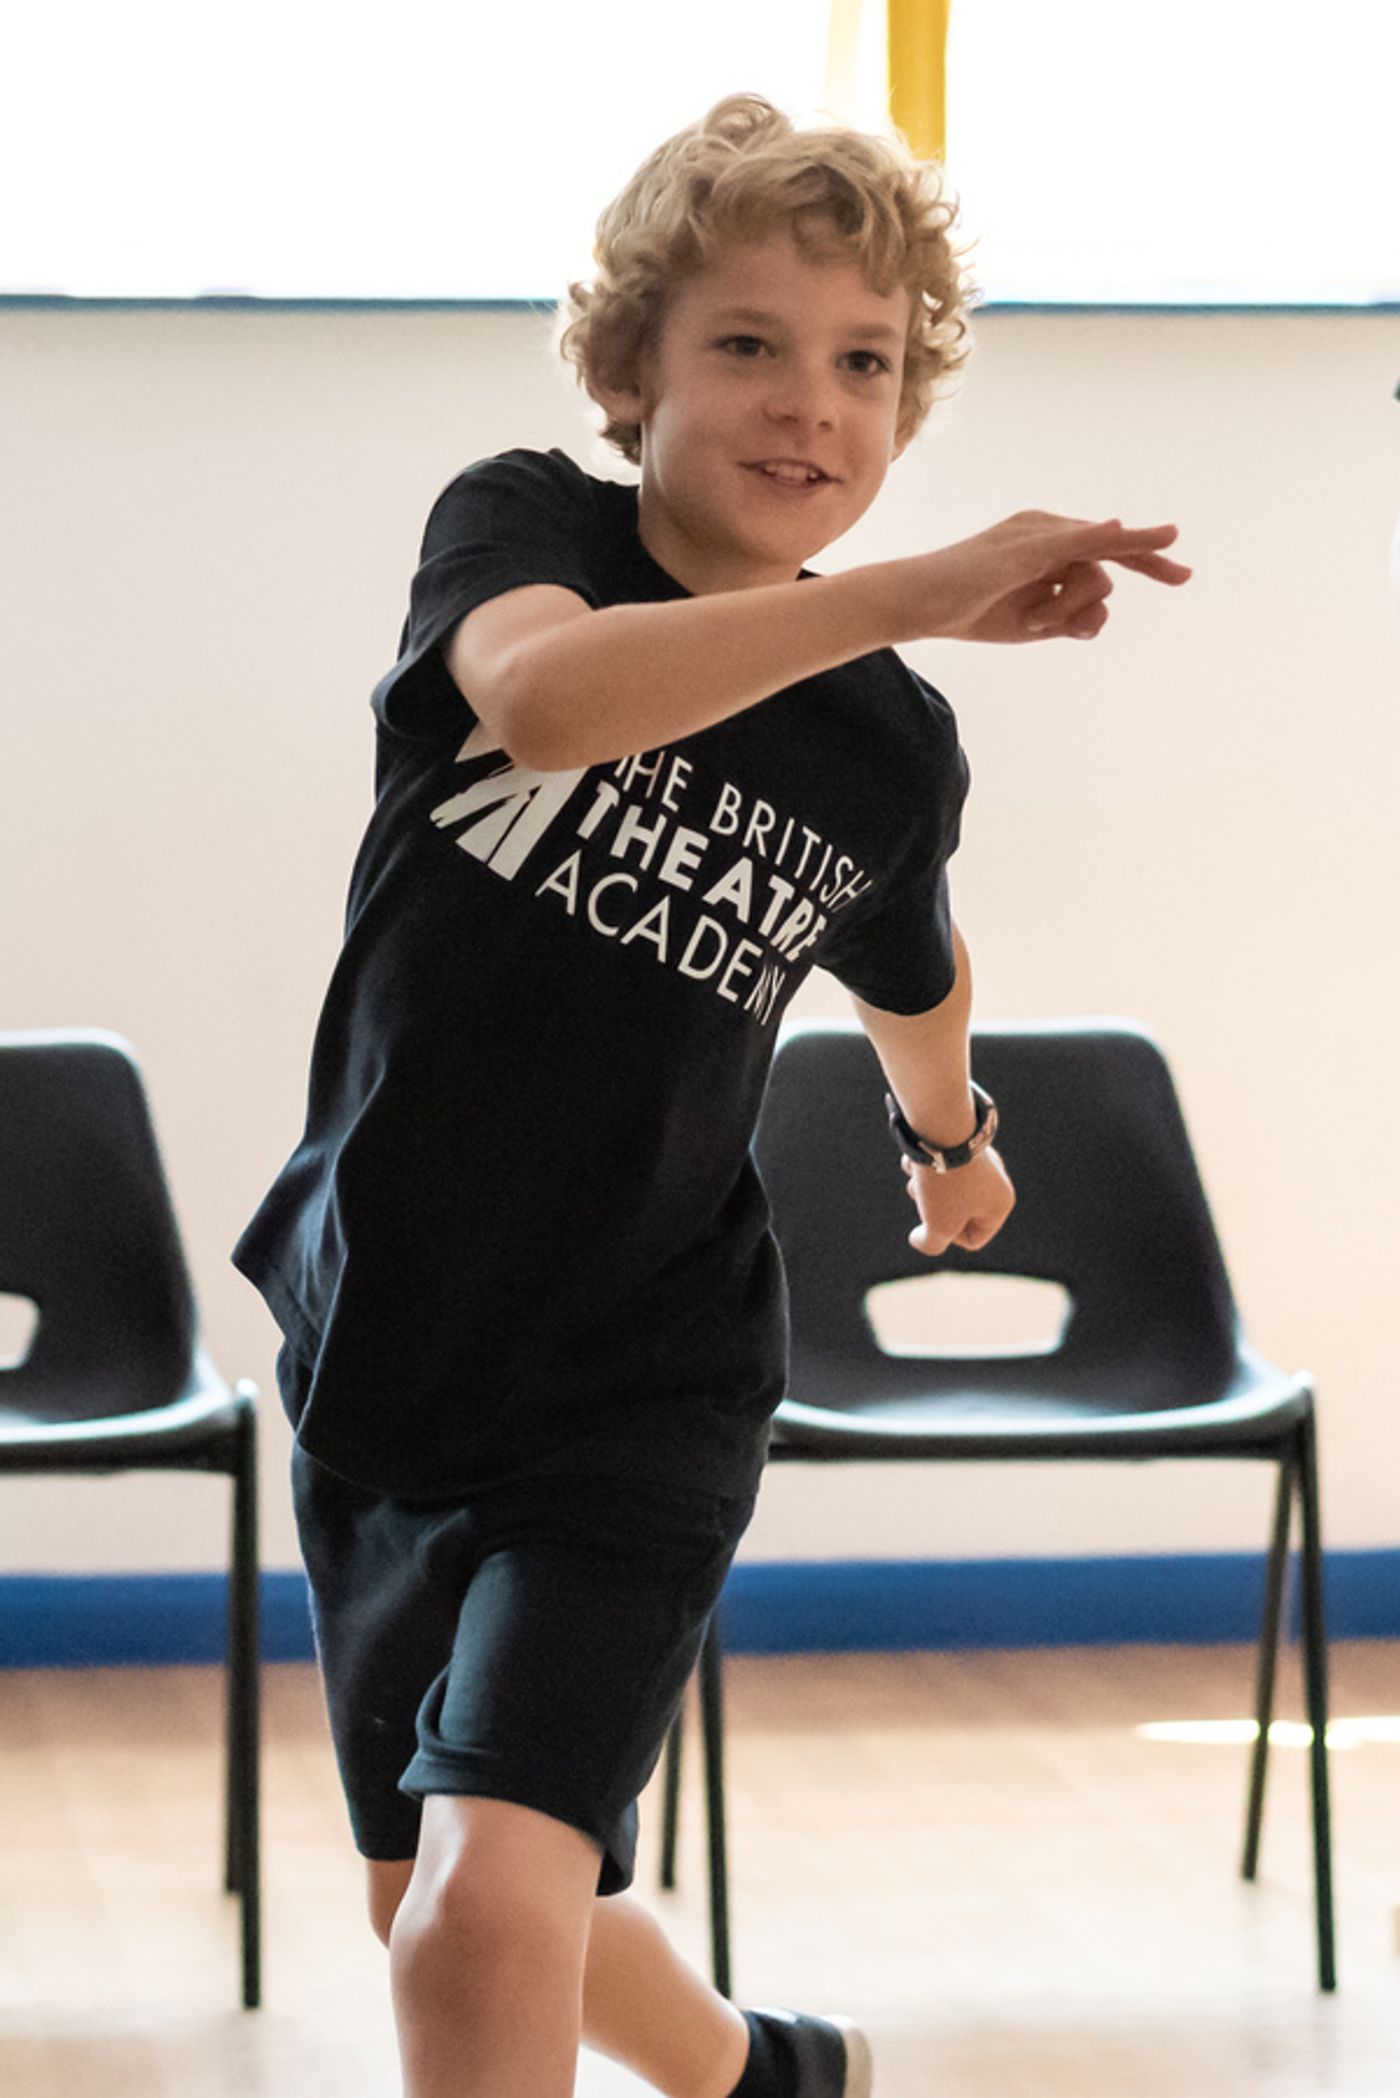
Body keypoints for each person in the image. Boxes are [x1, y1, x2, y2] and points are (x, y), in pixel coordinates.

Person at [234, 92, 1190, 2098]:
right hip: (387, 1344)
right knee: (453, 1891)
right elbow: (544, 703)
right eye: (745, 344)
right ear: (625, 372)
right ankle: (767, 2074)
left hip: (640, 1378)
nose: (808, 405)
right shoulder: (524, 533)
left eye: (863, 363)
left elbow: (908, 970)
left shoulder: (884, 746)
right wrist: (903, 591)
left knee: (482, 1913)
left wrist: (952, 1138)